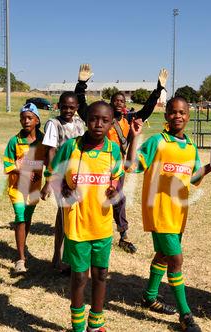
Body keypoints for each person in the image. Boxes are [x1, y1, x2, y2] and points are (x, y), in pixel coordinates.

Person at [125, 96, 211, 332]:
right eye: (173, 112)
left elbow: (194, 178)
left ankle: (149, 296)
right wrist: (134, 137)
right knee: (176, 259)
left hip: (179, 212)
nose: (178, 116)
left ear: (188, 115)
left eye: (182, 112)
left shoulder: (191, 146)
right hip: (159, 210)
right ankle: (185, 316)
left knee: (164, 255)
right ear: (166, 116)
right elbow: (132, 165)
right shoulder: (157, 142)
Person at [49, 100, 123, 332]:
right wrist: (63, 190)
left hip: (101, 223)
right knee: (80, 277)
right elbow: (54, 174)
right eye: (93, 119)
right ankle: (78, 327)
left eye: (104, 120)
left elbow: (118, 178)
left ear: (112, 123)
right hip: (77, 225)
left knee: (101, 274)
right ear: (85, 120)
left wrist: (115, 190)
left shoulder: (114, 149)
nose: (98, 124)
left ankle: (96, 324)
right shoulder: (71, 147)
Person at [77, 68, 168, 254]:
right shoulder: (102, 119)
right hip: (96, 162)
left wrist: (159, 88)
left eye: (122, 101)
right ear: (111, 103)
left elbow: (148, 108)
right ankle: (89, 229)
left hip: (116, 165)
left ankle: (123, 234)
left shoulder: (129, 118)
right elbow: (82, 108)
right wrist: (81, 84)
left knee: (117, 196)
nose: (119, 103)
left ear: (125, 104)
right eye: (116, 100)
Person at [40, 64, 89, 275]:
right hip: (62, 177)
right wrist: (50, 180)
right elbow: (50, 151)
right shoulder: (54, 124)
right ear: (59, 106)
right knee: (63, 217)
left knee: (73, 216)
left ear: (77, 107)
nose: (68, 111)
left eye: (72, 107)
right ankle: (59, 258)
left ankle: (66, 258)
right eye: (65, 107)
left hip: (78, 176)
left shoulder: (79, 122)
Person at [3, 103, 47, 274]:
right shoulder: (15, 141)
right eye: (22, 118)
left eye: (29, 118)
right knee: (20, 217)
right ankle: (20, 259)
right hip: (17, 188)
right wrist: (22, 170)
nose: (25, 121)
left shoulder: (44, 141)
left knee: (27, 219)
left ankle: (22, 244)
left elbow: (49, 161)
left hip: (34, 189)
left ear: (37, 120)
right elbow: (7, 162)